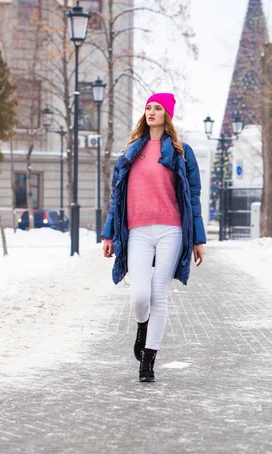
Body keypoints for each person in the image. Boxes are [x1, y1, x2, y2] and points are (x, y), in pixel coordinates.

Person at [101, 93, 206, 383]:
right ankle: (141, 325)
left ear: (167, 115)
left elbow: (193, 197)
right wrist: (109, 233)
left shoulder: (181, 151)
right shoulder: (131, 150)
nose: (151, 112)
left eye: (158, 108)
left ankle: (148, 361)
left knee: (159, 294)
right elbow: (116, 197)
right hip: (137, 230)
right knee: (139, 296)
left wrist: (198, 239)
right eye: (148, 107)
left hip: (171, 229)